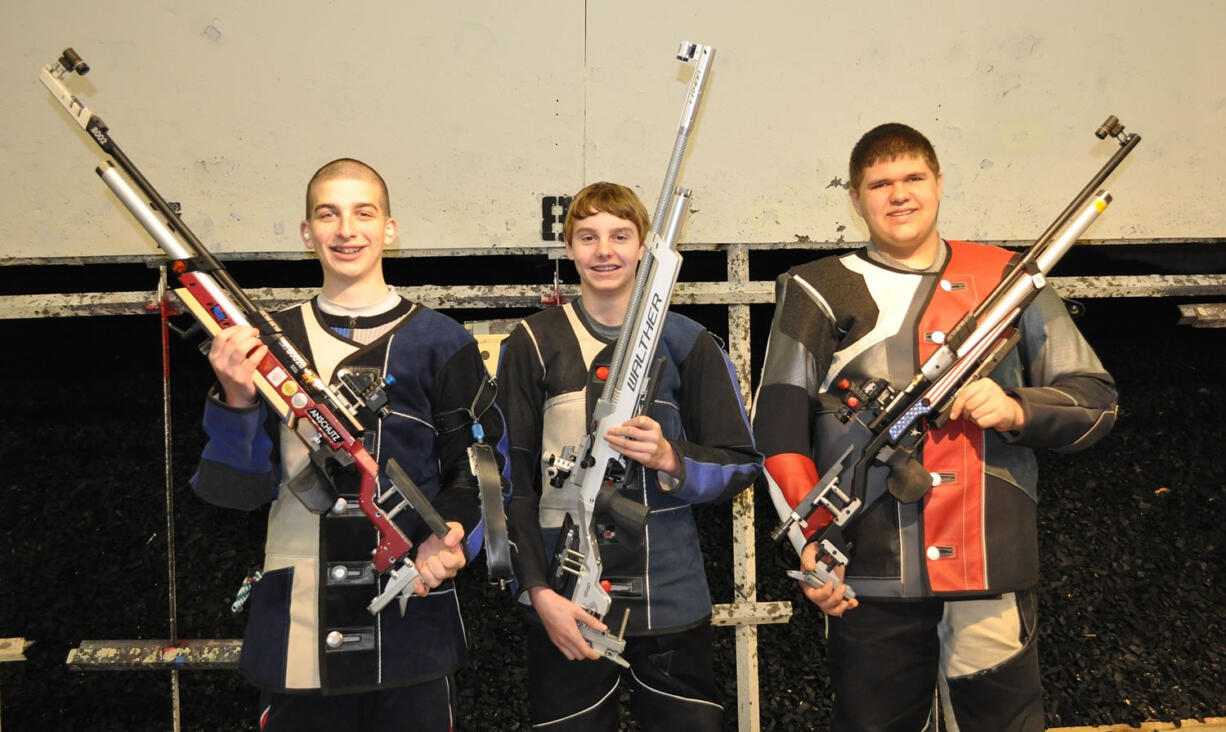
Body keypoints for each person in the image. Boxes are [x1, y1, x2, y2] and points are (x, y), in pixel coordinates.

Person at [753, 124, 1118, 731]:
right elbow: (779, 432)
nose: (899, 195)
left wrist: (1015, 408)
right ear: (855, 197)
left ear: (939, 183)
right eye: (881, 183)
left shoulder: (1008, 280)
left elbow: (1095, 401)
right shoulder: (817, 288)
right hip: (864, 570)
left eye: (913, 178)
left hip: (988, 568)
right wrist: (812, 543)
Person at [191, 158, 504, 731]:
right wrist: (236, 398)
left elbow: (481, 470)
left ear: (389, 228)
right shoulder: (264, 344)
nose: (346, 229)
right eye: (327, 214)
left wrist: (452, 535)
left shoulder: (443, 341)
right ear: (307, 232)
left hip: (413, 618)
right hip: (298, 630)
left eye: (364, 212)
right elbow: (233, 494)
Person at [496, 181, 762, 731]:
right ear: (568, 248)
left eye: (620, 235)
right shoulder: (531, 342)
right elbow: (509, 482)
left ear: (644, 247)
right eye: (588, 236)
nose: (604, 251)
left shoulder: (691, 341)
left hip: (671, 599)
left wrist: (671, 457)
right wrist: (537, 591)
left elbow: (741, 461)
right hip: (565, 602)